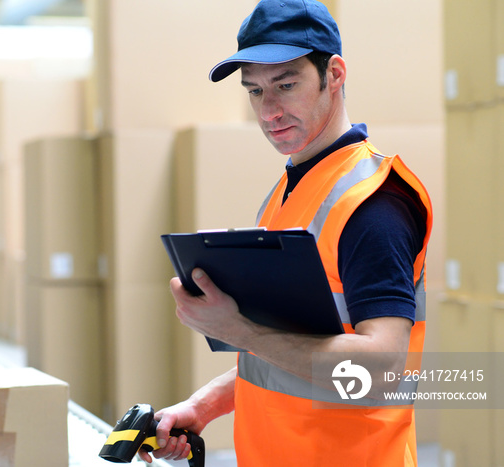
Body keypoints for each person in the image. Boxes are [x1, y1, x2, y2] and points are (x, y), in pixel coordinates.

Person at [138, 0, 433, 465]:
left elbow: (382, 369)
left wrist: (238, 329)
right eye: (254, 91)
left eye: (286, 84)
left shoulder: (373, 205)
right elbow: (291, 350)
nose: (268, 110)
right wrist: (204, 406)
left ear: (334, 74)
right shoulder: (292, 190)